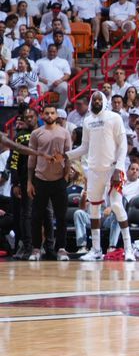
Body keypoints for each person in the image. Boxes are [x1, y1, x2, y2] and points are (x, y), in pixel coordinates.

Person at [66, 91, 132, 262]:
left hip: (113, 170)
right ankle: (96, 250)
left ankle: (129, 249)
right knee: (93, 208)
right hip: (94, 171)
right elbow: (84, 147)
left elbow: (123, 145)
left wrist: (119, 167)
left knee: (116, 205)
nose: (96, 101)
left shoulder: (114, 118)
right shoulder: (87, 121)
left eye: (99, 99)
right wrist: (66, 156)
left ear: (104, 101)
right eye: (93, 99)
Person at [26, 106, 72, 261]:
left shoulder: (65, 132)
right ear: (42, 115)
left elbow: (69, 156)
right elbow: (31, 159)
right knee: (36, 216)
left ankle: (61, 248)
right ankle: (36, 248)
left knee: (61, 217)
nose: (50, 115)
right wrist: (29, 182)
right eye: (47, 113)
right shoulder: (36, 133)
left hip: (59, 180)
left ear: (57, 115)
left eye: (52, 113)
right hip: (40, 179)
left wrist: (66, 174)